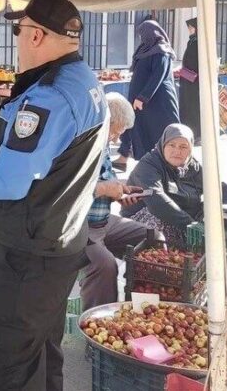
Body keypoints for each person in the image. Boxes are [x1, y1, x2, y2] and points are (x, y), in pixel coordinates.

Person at [0, 0, 108, 391]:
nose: (17, 37)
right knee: (42, 353)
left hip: (29, 251)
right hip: (61, 242)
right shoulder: (86, 81)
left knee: (10, 363)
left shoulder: (48, 97)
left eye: (19, 29)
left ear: (36, 35)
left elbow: (9, 180)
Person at [121, 123, 227, 248]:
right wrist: (192, 226)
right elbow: (157, 202)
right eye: (172, 145)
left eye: (183, 147)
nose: (177, 151)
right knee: (158, 221)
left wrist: (206, 211)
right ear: (163, 145)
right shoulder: (148, 165)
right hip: (143, 220)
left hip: (183, 219)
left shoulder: (193, 168)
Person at [81, 93, 149, 310]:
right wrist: (104, 189)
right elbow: (67, 190)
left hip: (103, 221)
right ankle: (97, 323)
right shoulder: (82, 145)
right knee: (105, 266)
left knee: (151, 237)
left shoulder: (103, 147)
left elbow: (104, 180)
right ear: (105, 122)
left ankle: (141, 306)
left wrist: (121, 189)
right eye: (115, 132)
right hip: (81, 225)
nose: (116, 139)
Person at [120, 19, 180, 161]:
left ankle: (169, 162)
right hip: (144, 102)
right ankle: (144, 160)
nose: (142, 37)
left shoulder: (161, 50)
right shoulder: (144, 49)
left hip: (158, 101)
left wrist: (143, 97)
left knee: (162, 131)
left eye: (143, 34)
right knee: (142, 130)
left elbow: (157, 76)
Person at [178, 18, 201, 140]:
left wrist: (184, 71)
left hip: (194, 83)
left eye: (191, 28)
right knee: (188, 106)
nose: (189, 30)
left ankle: (195, 133)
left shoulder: (197, 43)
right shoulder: (192, 41)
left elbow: (194, 63)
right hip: (188, 81)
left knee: (193, 108)